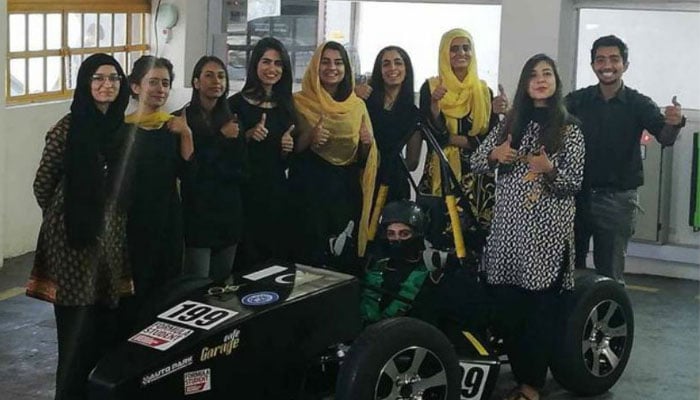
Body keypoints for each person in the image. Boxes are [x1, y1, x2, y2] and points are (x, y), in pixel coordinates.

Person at [471, 54, 585, 400]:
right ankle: (521, 376)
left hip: (545, 241)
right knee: (510, 314)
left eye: (547, 73)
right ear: (525, 84)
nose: (540, 80)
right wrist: (494, 156)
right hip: (508, 237)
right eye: (533, 75)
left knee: (539, 317)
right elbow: (476, 161)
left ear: (556, 82)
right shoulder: (509, 125)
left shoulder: (569, 129)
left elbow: (573, 183)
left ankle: (531, 385)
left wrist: (549, 169)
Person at [27, 53, 131, 400]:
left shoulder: (120, 130)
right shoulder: (67, 129)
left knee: (105, 327)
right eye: (98, 78)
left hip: (110, 241)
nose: (107, 85)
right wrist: (68, 216)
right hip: (74, 243)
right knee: (75, 335)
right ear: (86, 83)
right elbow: (43, 184)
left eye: (114, 78)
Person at [565, 35, 685, 284]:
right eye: (600, 60)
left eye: (614, 59)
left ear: (625, 65)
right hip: (575, 196)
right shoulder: (577, 100)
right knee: (566, 271)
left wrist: (674, 123)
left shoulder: (639, 103)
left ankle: (609, 312)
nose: (607, 65)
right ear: (593, 65)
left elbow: (665, 138)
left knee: (610, 275)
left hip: (617, 200)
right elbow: (547, 119)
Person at [417, 28, 507, 260]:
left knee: (477, 239)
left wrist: (499, 113)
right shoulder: (431, 88)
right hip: (443, 171)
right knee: (440, 237)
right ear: (444, 53)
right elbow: (430, 133)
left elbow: (489, 140)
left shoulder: (483, 91)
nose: (461, 53)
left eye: (466, 48)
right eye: (454, 48)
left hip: (477, 177)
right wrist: (435, 106)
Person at [290, 41, 378, 269]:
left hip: (344, 193)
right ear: (315, 67)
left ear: (346, 69)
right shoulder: (298, 102)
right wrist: (310, 137)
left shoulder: (356, 106)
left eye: (338, 63)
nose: (332, 68)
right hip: (308, 191)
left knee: (342, 259)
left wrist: (367, 145)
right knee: (308, 261)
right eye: (325, 62)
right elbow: (286, 151)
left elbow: (362, 158)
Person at [120, 56, 193, 319]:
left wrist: (186, 134)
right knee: (134, 289)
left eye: (165, 83)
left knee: (167, 288)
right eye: (152, 82)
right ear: (135, 86)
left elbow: (188, 172)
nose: (160, 89)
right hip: (132, 221)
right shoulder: (122, 129)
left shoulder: (172, 126)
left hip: (167, 218)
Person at [228, 37, 296, 269]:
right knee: (246, 263)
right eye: (266, 61)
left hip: (276, 194)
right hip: (244, 195)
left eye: (278, 63)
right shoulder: (234, 104)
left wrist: (287, 148)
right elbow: (222, 151)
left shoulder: (286, 106)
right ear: (255, 64)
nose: (272, 68)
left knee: (275, 262)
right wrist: (246, 137)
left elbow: (287, 161)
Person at [181, 56, 245, 282]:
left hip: (228, 213)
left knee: (222, 287)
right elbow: (191, 170)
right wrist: (220, 138)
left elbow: (240, 169)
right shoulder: (183, 120)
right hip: (197, 214)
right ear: (196, 82)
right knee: (196, 285)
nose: (216, 81)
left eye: (221, 76)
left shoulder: (233, 121)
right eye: (209, 75)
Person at [355, 46, 422, 201]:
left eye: (398, 63)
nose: (392, 68)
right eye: (386, 64)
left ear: (406, 69)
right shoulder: (364, 100)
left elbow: (412, 162)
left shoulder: (413, 113)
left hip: (394, 186)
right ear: (379, 71)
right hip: (361, 180)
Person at [360, 200, 430, 324]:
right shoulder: (377, 268)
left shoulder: (427, 273)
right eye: (391, 234)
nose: (397, 239)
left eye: (404, 233)